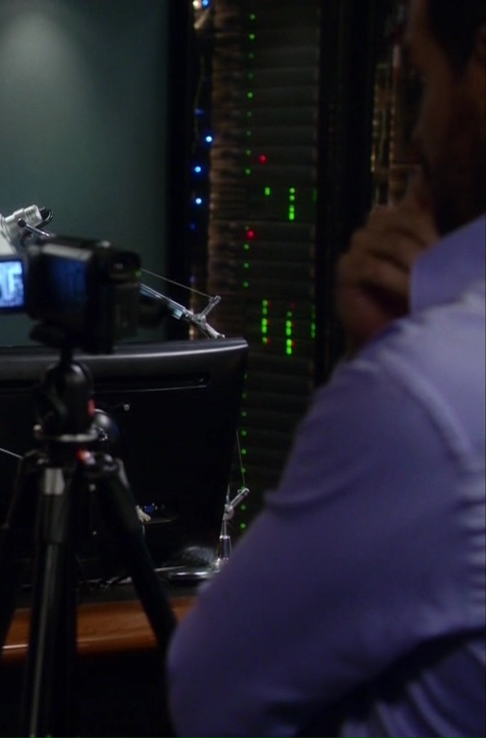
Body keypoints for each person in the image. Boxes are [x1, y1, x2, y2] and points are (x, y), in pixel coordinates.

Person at [167, 1, 485, 736]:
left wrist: (385, 361)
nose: (418, 134)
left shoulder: (423, 394)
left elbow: (211, 692)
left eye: (425, 85)